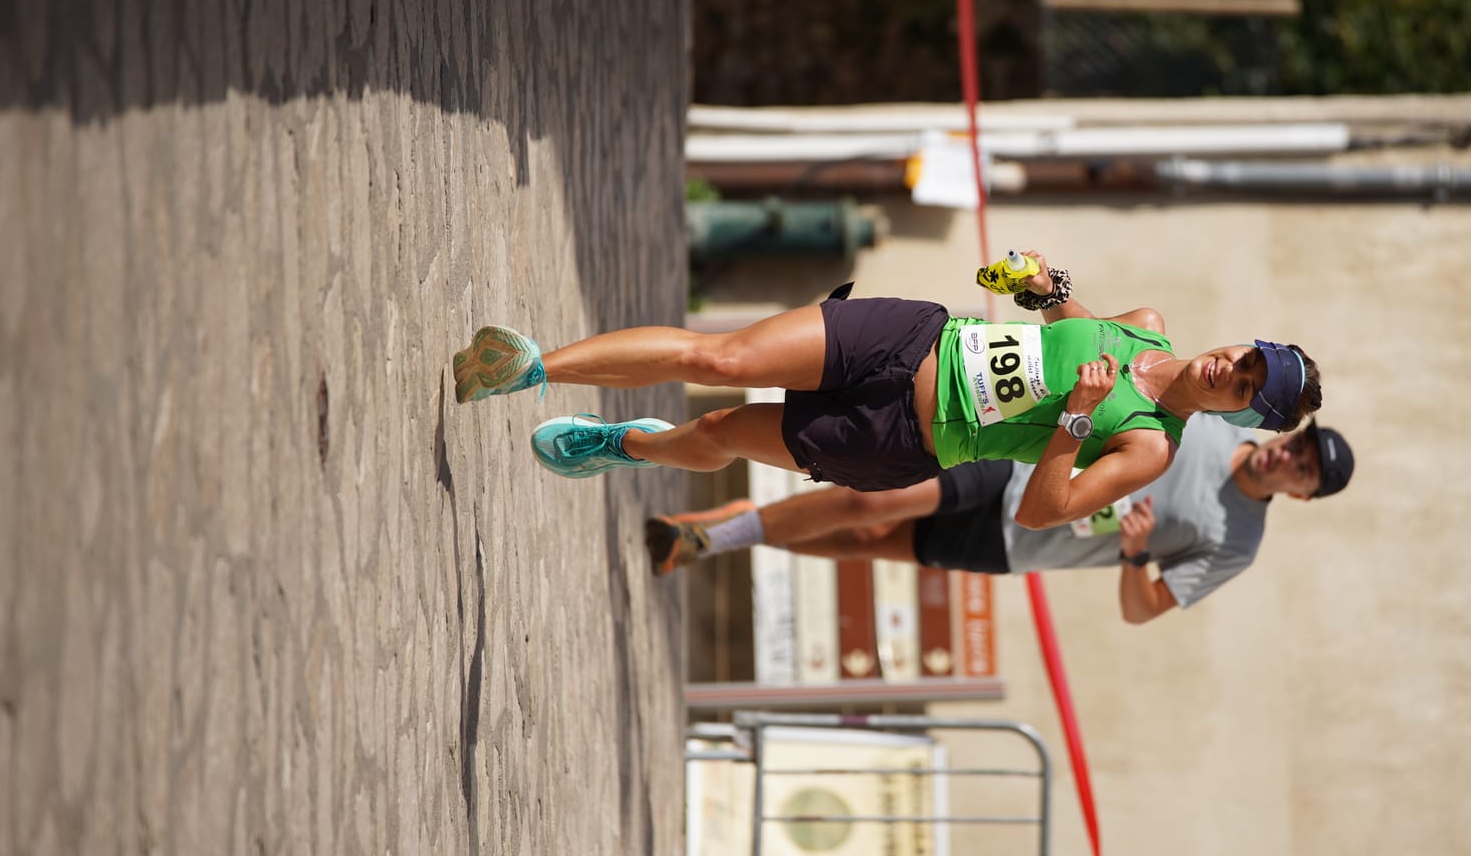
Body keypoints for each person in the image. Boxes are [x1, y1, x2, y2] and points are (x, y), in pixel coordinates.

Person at [451, 251, 1322, 529]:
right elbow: (1068, 336)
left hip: (904, 440)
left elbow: (1043, 512)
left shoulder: (1148, 447)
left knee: (717, 431)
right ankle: (530, 367)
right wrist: (1050, 291)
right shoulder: (1145, 321)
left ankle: (625, 446)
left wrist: (1074, 422)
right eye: (1244, 354)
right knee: (720, 359)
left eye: (1244, 384)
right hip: (915, 337)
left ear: (1241, 410)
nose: (1228, 369)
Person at [645, 416, 1355, 624]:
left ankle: (729, 526)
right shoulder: (1216, 414)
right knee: (872, 501)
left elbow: (1146, 610)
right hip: (1013, 463)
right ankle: (708, 537)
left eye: (1302, 469)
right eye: (1298, 443)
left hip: (1016, 542)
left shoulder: (1239, 542)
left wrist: (1138, 555)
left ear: (1300, 495)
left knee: (859, 539)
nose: (1288, 457)